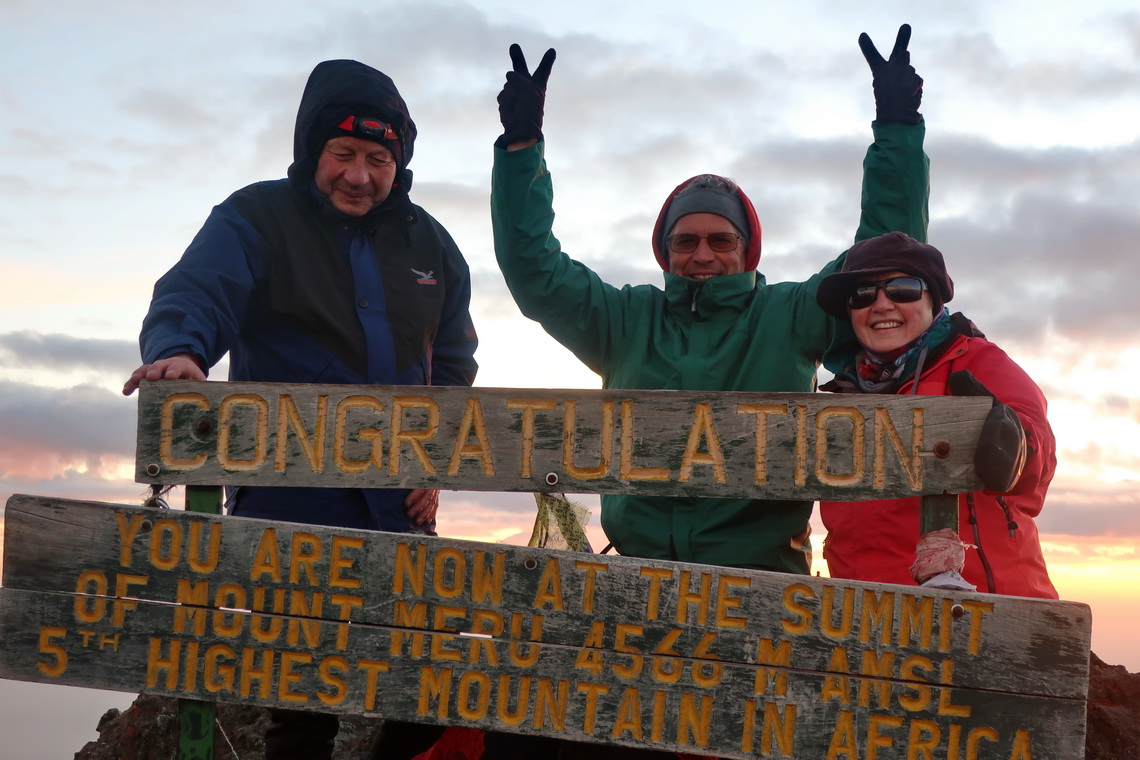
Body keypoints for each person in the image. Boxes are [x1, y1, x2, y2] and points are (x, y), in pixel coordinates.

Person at [122, 59, 477, 760]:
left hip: (398, 510)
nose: (359, 174)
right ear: (313, 151)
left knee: (432, 687)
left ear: (397, 164)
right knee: (301, 709)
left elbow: (456, 362)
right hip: (291, 506)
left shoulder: (430, 243)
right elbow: (198, 292)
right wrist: (181, 352)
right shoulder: (257, 217)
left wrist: (436, 459)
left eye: (378, 158)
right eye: (343, 154)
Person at [490, 26, 928, 577]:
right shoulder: (625, 320)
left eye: (721, 240)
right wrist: (521, 149)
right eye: (685, 240)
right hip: (636, 578)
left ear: (746, 251)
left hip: (762, 582)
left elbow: (882, 255)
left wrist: (897, 128)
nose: (702, 254)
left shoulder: (790, 315)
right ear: (665, 250)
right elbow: (536, 271)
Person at [814, 231, 1058, 597]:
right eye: (862, 295)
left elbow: (1036, 448)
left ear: (934, 300)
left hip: (984, 616)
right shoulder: (838, 399)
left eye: (903, 288)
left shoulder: (977, 361)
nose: (881, 304)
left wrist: (1015, 443)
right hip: (867, 625)